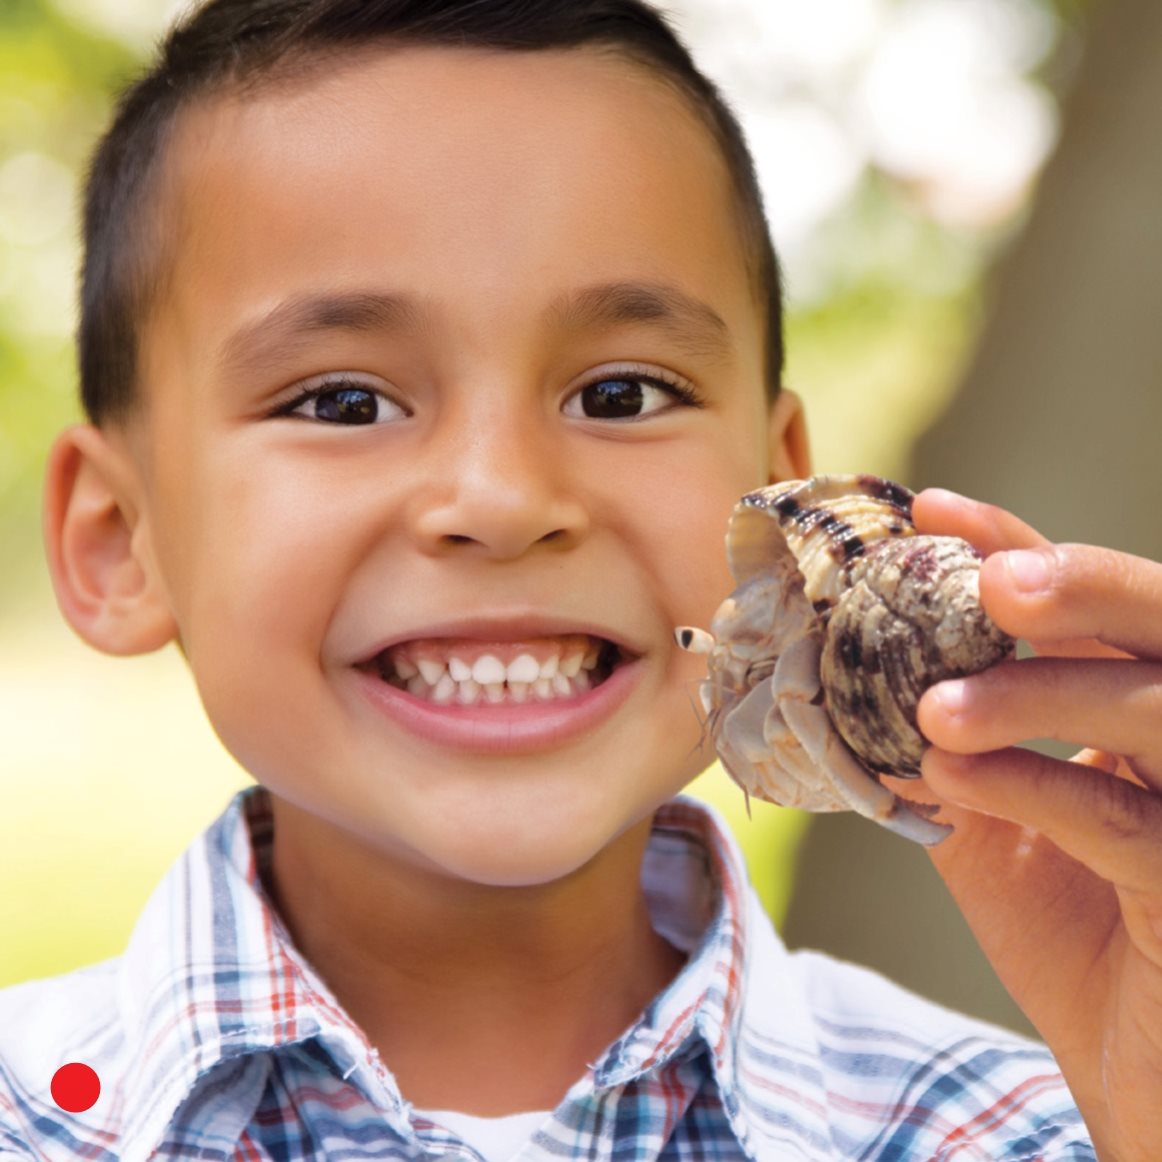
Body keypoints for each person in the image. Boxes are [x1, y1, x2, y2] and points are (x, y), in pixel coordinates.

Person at [1, 0, 1159, 1158]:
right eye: (343, 402)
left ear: (784, 499)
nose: (504, 500)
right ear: (119, 539)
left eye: (621, 394)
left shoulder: (1055, 1129)